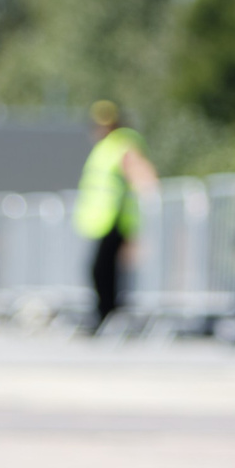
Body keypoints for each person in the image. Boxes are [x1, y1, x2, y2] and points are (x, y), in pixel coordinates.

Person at [73, 100, 159, 330]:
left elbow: (141, 172)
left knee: (105, 272)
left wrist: (152, 199)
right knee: (101, 271)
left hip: (117, 221)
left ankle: (108, 318)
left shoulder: (122, 143)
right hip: (102, 222)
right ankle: (105, 317)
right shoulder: (105, 147)